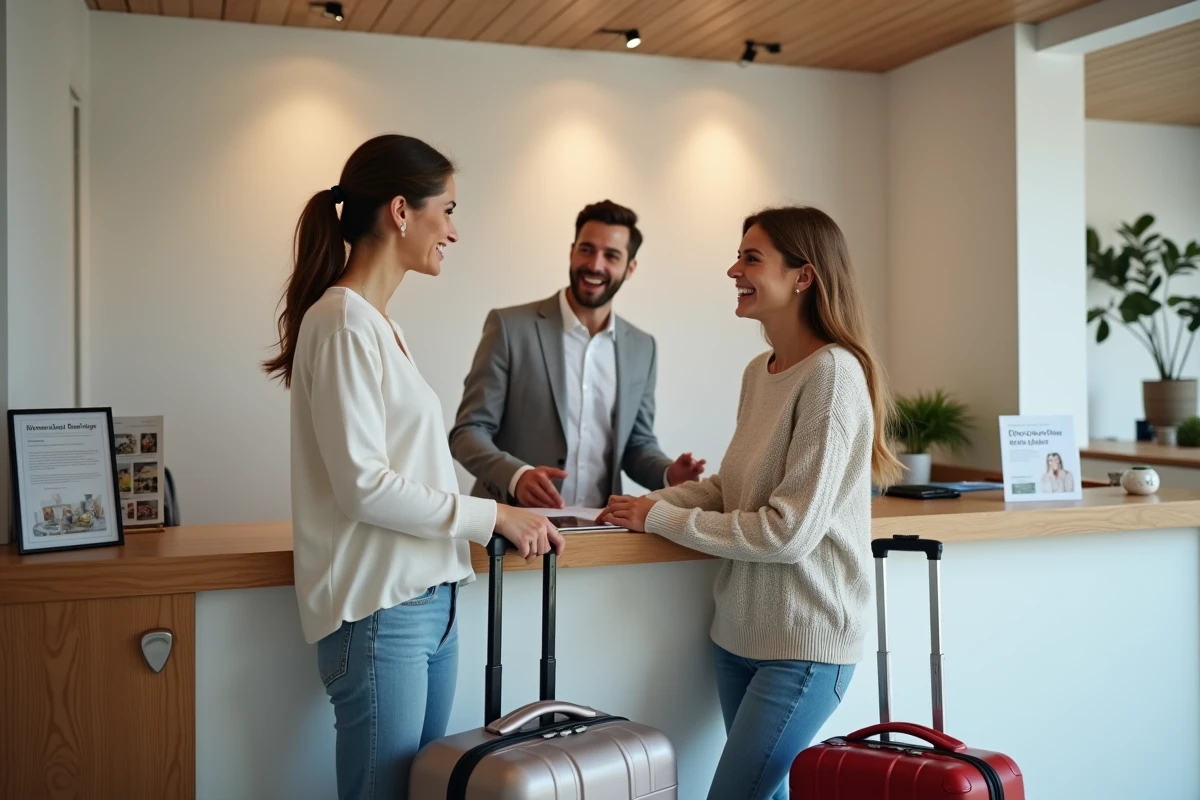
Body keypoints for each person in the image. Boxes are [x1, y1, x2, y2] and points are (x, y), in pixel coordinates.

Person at [262, 134, 565, 800]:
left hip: (429, 603)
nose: (452, 231)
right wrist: (495, 514)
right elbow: (363, 486)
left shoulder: (376, 323)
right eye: (447, 210)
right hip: (381, 614)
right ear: (402, 211)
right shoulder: (342, 322)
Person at [599, 206, 904, 800]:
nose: (733, 268)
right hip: (736, 639)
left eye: (752, 257)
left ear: (803, 276)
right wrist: (640, 505)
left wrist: (660, 516)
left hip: (805, 648)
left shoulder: (834, 376)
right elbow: (729, 490)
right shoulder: (758, 373)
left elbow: (786, 532)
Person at [449, 199, 705, 511]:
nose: (595, 265)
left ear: (630, 268)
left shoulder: (642, 347)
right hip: (508, 527)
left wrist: (667, 473)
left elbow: (636, 445)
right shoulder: (509, 327)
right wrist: (516, 476)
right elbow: (468, 432)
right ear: (572, 251)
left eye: (611, 255)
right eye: (587, 249)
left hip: (599, 531)